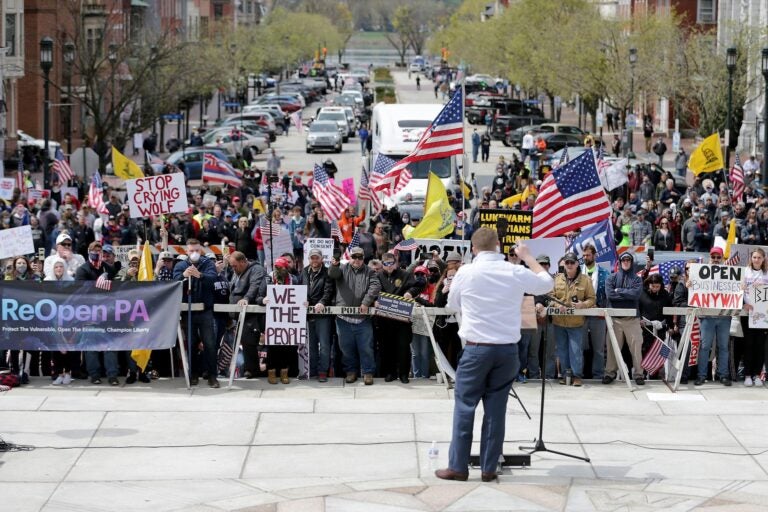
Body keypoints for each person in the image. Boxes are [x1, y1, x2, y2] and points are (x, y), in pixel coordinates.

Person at [436, 230, 552, 482]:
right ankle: (489, 467)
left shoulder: (466, 272)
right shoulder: (512, 269)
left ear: (474, 249)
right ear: (498, 246)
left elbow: (452, 305)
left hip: (477, 348)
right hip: (507, 349)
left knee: (465, 407)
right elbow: (546, 283)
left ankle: (458, 466)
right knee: (496, 410)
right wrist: (527, 257)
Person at [328, 246, 381, 385]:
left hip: (362, 319)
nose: (357, 260)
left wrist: (366, 302)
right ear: (350, 257)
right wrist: (334, 264)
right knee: (346, 348)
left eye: (360, 257)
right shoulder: (342, 268)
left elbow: (375, 286)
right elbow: (333, 274)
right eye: (354, 257)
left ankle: (368, 373)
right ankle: (351, 372)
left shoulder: (369, 271)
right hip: (343, 318)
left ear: (363, 258)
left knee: (366, 347)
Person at [174, 238, 223, 388]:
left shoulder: (207, 264)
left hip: (205, 310)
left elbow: (212, 279)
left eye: (196, 250)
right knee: (191, 344)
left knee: (209, 343)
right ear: (186, 251)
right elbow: (174, 281)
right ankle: (193, 374)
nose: (194, 253)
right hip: (188, 311)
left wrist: (199, 275)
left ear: (200, 251)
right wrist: (183, 276)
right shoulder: (181, 265)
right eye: (191, 251)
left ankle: (212, 375)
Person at [75, 241, 120, 385]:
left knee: (110, 346)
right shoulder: (82, 270)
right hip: (89, 314)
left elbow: (115, 285)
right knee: (91, 347)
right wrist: (97, 284)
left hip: (107, 313)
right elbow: (80, 291)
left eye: (100, 253)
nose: (97, 256)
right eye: (94, 253)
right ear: (89, 252)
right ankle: (94, 375)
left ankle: (112, 375)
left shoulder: (106, 267)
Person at [376, 251, 423, 383]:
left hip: (402, 318)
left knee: (403, 346)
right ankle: (390, 373)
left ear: (395, 263)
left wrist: (410, 292)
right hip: (385, 319)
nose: (389, 266)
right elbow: (372, 290)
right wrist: (374, 300)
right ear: (382, 264)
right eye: (386, 264)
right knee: (387, 346)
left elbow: (418, 285)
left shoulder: (405, 275)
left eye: (391, 263)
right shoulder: (378, 276)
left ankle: (403, 374)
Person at [551, 251, 595, 387]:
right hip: (559, 321)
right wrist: (557, 304)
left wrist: (583, 304)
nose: (569, 265)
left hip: (576, 322)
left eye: (572, 262)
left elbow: (592, 299)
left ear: (577, 264)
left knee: (576, 351)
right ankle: (565, 375)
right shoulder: (556, 279)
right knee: (562, 350)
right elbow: (550, 296)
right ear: (564, 264)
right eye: (567, 262)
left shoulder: (585, 280)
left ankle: (577, 376)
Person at [603, 252, 646, 386]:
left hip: (632, 320)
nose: (626, 262)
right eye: (623, 260)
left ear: (632, 262)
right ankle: (610, 373)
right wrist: (626, 293)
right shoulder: (611, 278)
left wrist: (619, 291)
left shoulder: (637, 279)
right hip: (614, 320)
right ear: (620, 262)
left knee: (636, 349)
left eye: (628, 260)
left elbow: (636, 294)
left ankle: (639, 374)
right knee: (611, 349)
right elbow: (610, 295)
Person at [694, 247, 732, 386]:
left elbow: (735, 291)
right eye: (713, 257)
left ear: (722, 258)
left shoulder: (729, 274)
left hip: (724, 316)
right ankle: (702, 375)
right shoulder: (701, 273)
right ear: (709, 258)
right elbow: (695, 290)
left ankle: (723, 375)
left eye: (718, 257)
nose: (716, 260)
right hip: (707, 316)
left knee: (723, 347)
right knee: (704, 347)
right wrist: (690, 285)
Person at [228, 251, 267, 379]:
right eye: (232, 266)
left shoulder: (256, 269)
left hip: (251, 313)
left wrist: (247, 298)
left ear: (243, 261)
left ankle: (252, 370)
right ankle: (250, 369)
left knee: (248, 340)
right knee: (244, 342)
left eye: (235, 266)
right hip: (238, 314)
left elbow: (255, 286)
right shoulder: (236, 272)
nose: (233, 268)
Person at [301, 249, 335, 381]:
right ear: (309, 259)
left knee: (325, 345)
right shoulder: (304, 271)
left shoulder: (327, 272)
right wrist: (303, 299)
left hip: (323, 314)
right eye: (312, 258)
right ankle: (313, 370)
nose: (314, 260)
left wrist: (322, 302)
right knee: (311, 345)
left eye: (317, 258)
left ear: (321, 259)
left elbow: (329, 290)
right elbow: (301, 288)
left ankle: (323, 371)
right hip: (308, 314)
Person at [580, 244, 610, 379]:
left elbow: (608, 295)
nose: (586, 257)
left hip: (598, 315)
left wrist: (598, 305)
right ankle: (578, 373)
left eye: (588, 255)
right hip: (580, 315)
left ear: (594, 255)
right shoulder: (578, 272)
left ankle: (598, 374)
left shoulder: (605, 273)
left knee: (598, 349)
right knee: (580, 347)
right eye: (584, 255)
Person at [740, 248, 768, 386]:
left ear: (763, 259)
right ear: (751, 258)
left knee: (760, 344)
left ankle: (757, 374)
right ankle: (747, 375)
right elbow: (737, 291)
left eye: (759, 258)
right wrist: (743, 304)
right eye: (754, 257)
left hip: (762, 315)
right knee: (748, 344)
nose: (756, 260)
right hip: (747, 313)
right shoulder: (745, 272)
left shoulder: (767, 273)